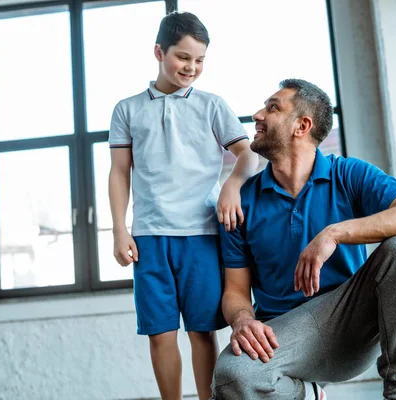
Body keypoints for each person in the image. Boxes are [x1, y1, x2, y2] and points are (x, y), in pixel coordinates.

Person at [211, 79, 396, 400]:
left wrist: (334, 233)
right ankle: (307, 393)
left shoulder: (349, 174)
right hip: (284, 336)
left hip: (351, 327)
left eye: (273, 107)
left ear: (302, 126)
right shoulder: (241, 202)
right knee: (231, 378)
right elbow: (235, 291)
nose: (258, 114)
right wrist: (243, 320)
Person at [108, 11, 258, 400]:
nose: (191, 67)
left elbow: (248, 156)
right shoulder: (127, 109)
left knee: (201, 332)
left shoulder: (212, 105)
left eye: (200, 60)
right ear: (159, 52)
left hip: (202, 235)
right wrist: (120, 229)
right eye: (182, 57)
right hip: (149, 237)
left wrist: (232, 186)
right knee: (159, 334)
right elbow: (119, 172)